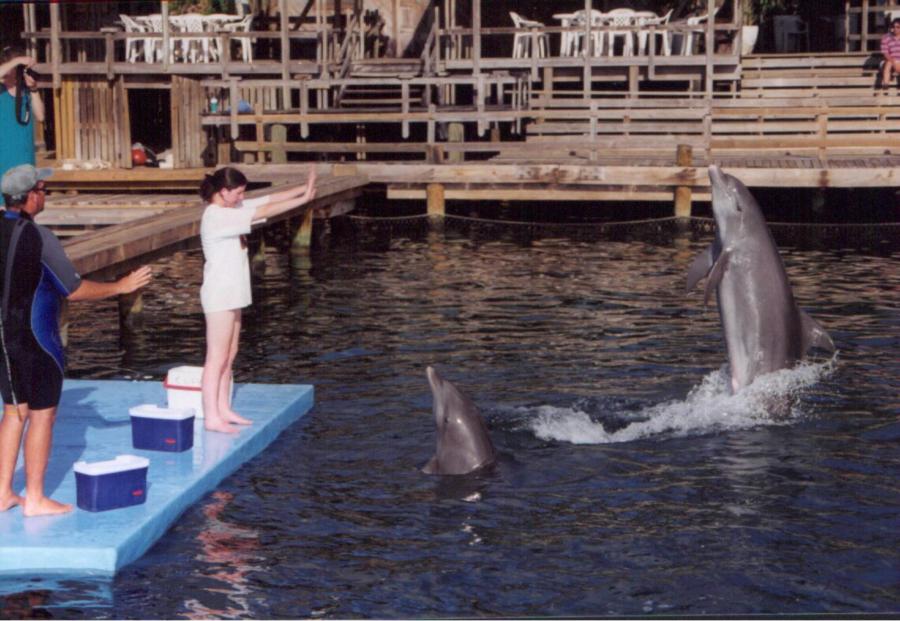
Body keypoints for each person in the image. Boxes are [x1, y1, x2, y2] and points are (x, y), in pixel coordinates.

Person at [0, 164, 152, 517]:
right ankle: (35, 498)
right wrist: (121, 286)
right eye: (43, 188)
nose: (46, 195)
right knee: (42, 416)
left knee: (12, 412)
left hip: (4, 339)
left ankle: (4, 492)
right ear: (31, 196)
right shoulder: (40, 238)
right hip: (37, 340)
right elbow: (74, 289)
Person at [199, 166, 316, 434]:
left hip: (233, 292)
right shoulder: (216, 216)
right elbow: (263, 212)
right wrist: (304, 200)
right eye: (238, 193)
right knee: (216, 357)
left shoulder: (231, 207)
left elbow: (268, 200)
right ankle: (211, 417)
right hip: (219, 294)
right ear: (223, 192)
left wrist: (303, 186)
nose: (242, 197)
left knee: (230, 354)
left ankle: (224, 407)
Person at [0, 47, 45, 207]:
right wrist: (17, 60)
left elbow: (40, 116)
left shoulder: (25, 92)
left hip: (24, 161)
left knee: (25, 209)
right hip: (3, 163)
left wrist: (33, 89)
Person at [880, 18, 900, 89]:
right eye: (894, 27)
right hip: (889, 60)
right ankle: (885, 85)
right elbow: (885, 53)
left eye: (898, 27)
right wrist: (893, 62)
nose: (895, 29)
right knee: (888, 63)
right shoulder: (886, 37)